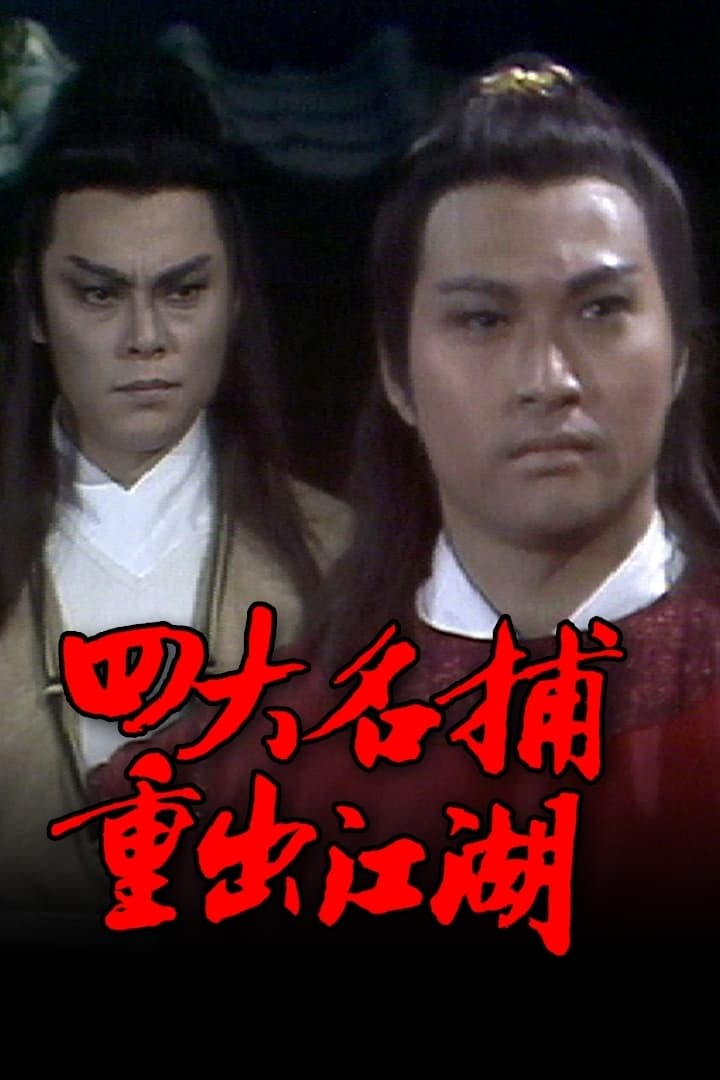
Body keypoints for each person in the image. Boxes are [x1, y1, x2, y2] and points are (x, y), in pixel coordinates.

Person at [96, 55, 720, 953]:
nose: (548, 378)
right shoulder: (236, 788)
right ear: (396, 374)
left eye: (601, 310)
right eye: (483, 320)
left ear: (683, 351)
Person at [0, 50, 348, 923]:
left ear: (235, 297)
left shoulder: (348, 562)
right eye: (98, 295)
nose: (145, 337)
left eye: (183, 291)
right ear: (34, 306)